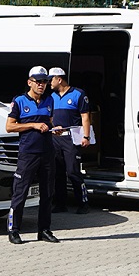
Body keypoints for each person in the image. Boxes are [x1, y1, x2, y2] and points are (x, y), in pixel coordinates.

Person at [5, 65, 58, 245]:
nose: (42, 85)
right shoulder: (19, 101)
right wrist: (33, 125)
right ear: (30, 82)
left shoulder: (49, 101)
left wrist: (54, 129)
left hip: (47, 152)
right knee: (20, 192)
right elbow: (10, 126)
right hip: (28, 153)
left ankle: (44, 230)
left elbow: (49, 123)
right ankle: (14, 230)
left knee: (48, 193)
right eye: (38, 81)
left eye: (45, 81)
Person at [48, 67, 92, 215]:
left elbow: (85, 116)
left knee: (73, 171)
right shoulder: (51, 97)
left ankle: (83, 202)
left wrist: (86, 136)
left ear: (59, 79)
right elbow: (50, 118)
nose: (48, 83)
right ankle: (60, 203)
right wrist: (54, 127)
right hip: (55, 137)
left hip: (71, 137)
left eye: (51, 80)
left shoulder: (78, 94)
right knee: (58, 172)